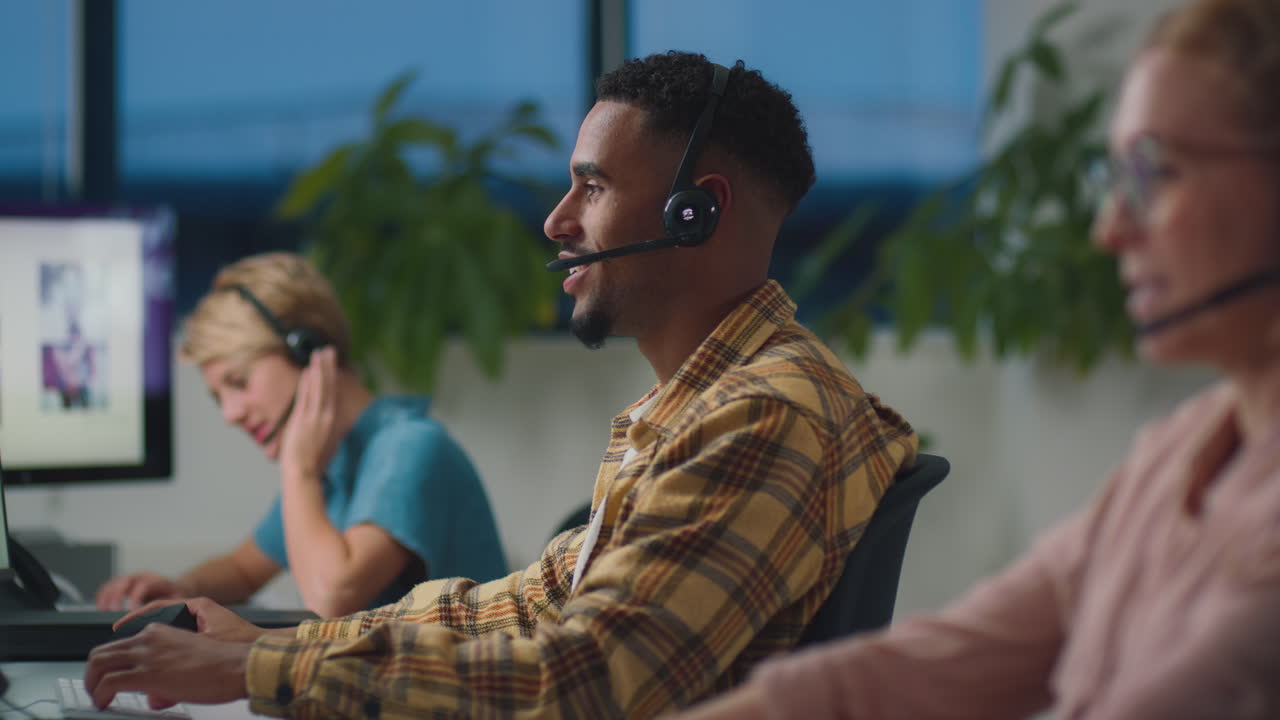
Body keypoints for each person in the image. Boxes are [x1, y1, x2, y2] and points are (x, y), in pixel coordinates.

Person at [82, 53, 917, 718]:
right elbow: (531, 602)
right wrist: (269, 650)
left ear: (695, 210)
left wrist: (261, 668)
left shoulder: (763, 415)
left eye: (592, 185)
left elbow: (584, 682)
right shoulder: (691, 410)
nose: (557, 220)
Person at [673, 1, 1280, 718]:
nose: (1111, 229)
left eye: (1156, 171)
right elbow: (932, 667)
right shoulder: (1175, 460)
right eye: (1114, 178)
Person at [94, 252, 508, 617]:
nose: (230, 414)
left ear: (306, 349)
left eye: (238, 382)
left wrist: (298, 468)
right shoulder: (335, 462)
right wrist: (180, 589)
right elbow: (243, 570)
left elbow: (331, 597)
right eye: (219, 397)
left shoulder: (410, 448)